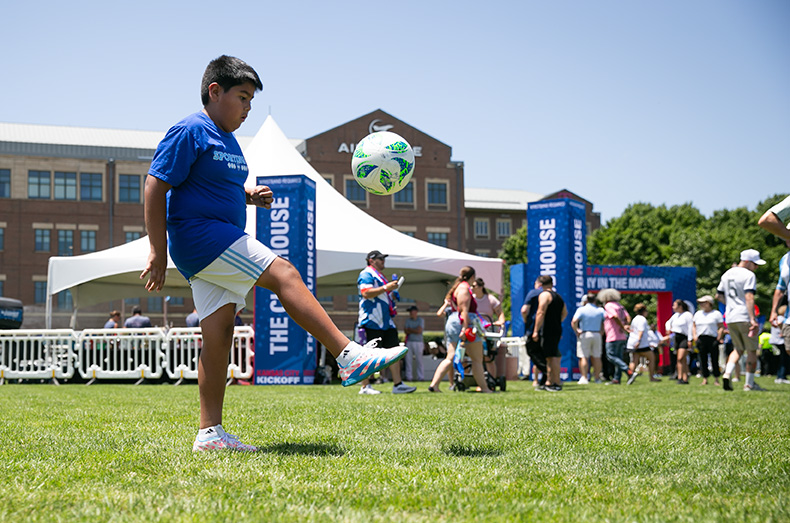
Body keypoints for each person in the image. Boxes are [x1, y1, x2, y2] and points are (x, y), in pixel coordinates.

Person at [141, 55, 407, 451]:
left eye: (251, 100)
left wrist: (248, 195)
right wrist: (157, 251)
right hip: (201, 237)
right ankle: (347, 354)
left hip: (217, 235)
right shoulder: (190, 130)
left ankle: (209, 434)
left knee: (218, 338)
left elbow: (212, 183)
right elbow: (154, 185)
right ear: (215, 92)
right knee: (284, 273)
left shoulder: (227, 138)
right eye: (243, 97)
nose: (248, 108)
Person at [356, 250, 416, 395]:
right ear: (371, 260)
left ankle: (398, 385)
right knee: (369, 354)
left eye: (383, 258)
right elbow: (365, 292)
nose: (383, 261)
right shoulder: (366, 274)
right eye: (380, 258)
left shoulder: (380, 276)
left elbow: (382, 294)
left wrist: (391, 295)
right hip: (371, 320)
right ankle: (365, 387)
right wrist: (386, 288)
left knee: (394, 352)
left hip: (386, 322)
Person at [428, 266, 493, 393]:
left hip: (453, 322)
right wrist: (464, 329)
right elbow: (464, 311)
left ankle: (434, 385)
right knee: (477, 359)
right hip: (465, 324)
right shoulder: (464, 289)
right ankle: (485, 388)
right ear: (473, 277)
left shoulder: (458, 287)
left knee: (450, 357)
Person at [716, 249, 766, 391]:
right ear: (748, 262)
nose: (756, 267)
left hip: (730, 317)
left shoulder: (726, 274)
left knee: (737, 348)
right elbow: (749, 297)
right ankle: (749, 384)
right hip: (744, 316)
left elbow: (718, 295)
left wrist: (731, 305)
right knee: (751, 350)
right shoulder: (749, 275)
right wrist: (753, 319)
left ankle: (727, 373)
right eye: (755, 264)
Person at [532, 275, 568, 392]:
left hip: (547, 329)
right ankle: (549, 382)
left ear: (541, 285)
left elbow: (540, 312)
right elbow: (565, 313)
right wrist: (557, 323)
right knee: (551, 356)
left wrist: (536, 330)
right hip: (556, 329)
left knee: (552, 358)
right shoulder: (558, 296)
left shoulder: (544, 295)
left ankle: (555, 383)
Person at [472, 277, 507, 390]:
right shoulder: (470, 299)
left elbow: (500, 314)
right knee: (475, 357)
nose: (472, 288)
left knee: (488, 357)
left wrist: (500, 322)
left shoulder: (490, 299)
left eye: (474, 286)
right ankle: (478, 382)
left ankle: (491, 381)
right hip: (475, 331)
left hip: (488, 332)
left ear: (481, 287)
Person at [598, 288, 636, 385]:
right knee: (618, 357)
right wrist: (626, 325)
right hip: (621, 336)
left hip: (612, 335)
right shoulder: (620, 306)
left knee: (610, 356)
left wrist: (622, 326)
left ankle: (628, 371)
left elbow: (614, 316)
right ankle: (617, 378)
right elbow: (628, 317)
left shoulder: (608, 306)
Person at [571, 292, 604, 385]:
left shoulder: (581, 310)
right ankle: (597, 378)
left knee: (584, 356)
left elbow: (574, 321)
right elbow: (604, 321)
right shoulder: (600, 310)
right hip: (597, 334)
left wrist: (577, 330)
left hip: (585, 334)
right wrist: (602, 331)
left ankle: (584, 377)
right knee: (597, 357)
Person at [692, 295, 724, 386]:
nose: (701, 304)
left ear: (709, 303)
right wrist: (695, 336)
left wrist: (719, 337)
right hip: (701, 338)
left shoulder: (716, 314)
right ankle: (705, 379)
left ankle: (716, 379)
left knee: (714, 359)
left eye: (703, 303)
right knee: (702, 359)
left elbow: (721, 326)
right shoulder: (698, 314)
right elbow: (694, 326)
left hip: (712, 338)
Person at [626, 303, 661, 384]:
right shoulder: (642, 319)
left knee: (634, 360)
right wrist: (639, 341)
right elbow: (641, 330)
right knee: (651, 358)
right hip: (641, 343)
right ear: (644, 311)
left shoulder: (635, 318)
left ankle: (630, 376)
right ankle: (652, 377)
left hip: (632, 342)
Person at [521, 278, 546, 388]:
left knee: (534, 353)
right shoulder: (551, 295)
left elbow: (524, 310)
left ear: (539, 284)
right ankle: (549, 377)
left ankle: (538, 378)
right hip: (547, 328)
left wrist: (526, 320)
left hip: (533, 327)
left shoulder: (533, 293)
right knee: (545, 354)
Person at [664, 299, 694, 384]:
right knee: (682, 359)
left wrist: (690, 339)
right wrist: (668, 329)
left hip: (684, 337)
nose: (673, 307)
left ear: (680, 306)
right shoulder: (676, 315)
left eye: (674, 305)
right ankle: (684, 377)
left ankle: (680, 377)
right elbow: (668, 322)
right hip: (676, 337)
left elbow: (690, 327)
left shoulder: (687, 315)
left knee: (680, 358)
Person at [403, 305, 425, 382]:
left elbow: (419, 331)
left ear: (415, 312)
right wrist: (414, 330)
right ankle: (409, 377)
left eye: (411, 311)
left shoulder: (420, 320)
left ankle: (421, 377)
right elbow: (406, 331)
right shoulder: (407, 321)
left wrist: (410, 330)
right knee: (408, 360)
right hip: (409, 341)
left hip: (418, 342)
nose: (410, 313)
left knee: (419, 360)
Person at [771, 304, 790, 384]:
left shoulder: (776, 318)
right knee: (784, 359)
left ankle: (781, 375)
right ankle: (781, 376)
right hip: (781, 341)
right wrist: (783, 331)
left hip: (775, 340)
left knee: (781, 359)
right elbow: (780, 326)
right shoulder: (783, 319)